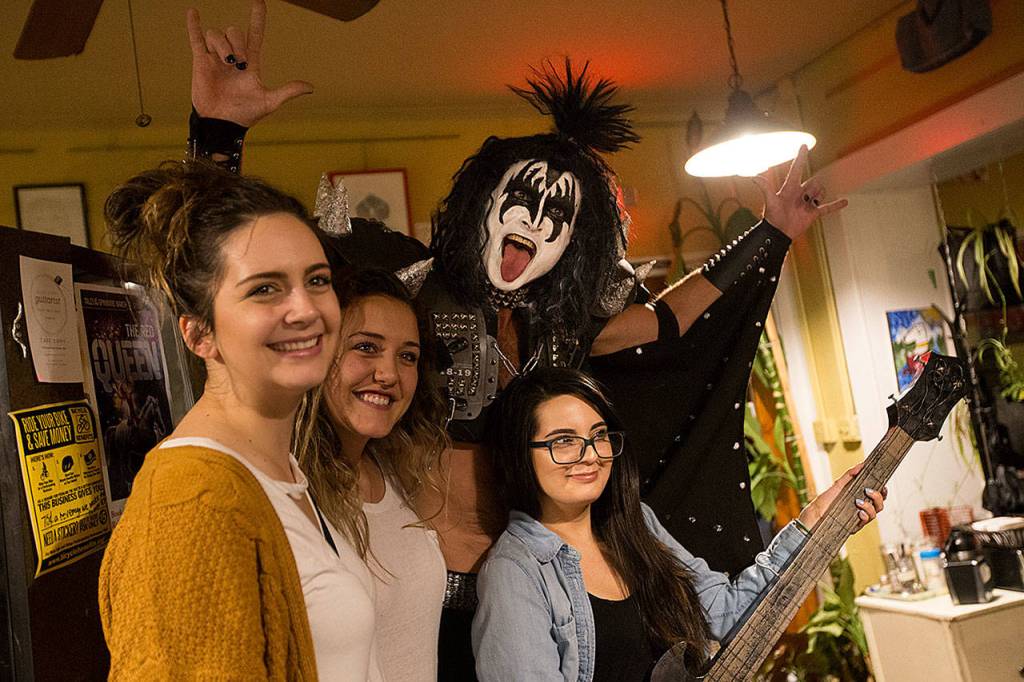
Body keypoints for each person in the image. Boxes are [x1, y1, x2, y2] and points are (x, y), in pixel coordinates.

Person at [183, 4, 848, 677]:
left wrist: (770, 232)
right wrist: (219, 137)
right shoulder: (411, 293)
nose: (536, 220)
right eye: (523, 199)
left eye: (558, 213)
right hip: (412, 587)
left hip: (537, 592)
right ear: (484, 201)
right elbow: (248, 263)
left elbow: (670, 320)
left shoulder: (562, 325)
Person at [97, 160, 386, 680]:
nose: (305, 309)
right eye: (264, 289)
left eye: (316, 280)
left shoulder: (279, 468)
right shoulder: (191, 501)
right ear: (199, 334)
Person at [473, 368, 885, 681]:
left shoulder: (636, 523)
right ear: (519, 454)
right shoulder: (515, 572)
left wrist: (813, 521)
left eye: (598, 435)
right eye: (563, 441)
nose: (591, 454)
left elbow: (727, 614)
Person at [294, 268, 449, 682]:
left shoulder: (397, 468)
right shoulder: (290, 492)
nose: (389, 374)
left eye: (407, 356)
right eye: (366, 347)